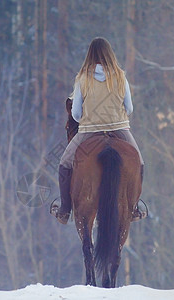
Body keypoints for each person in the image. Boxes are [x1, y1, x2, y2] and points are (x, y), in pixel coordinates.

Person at [51, 37, 145, 224]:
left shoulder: (82, 78)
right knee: (139, 163)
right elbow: (130, 108)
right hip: (119, 129)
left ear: (90, 55)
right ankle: (133, 208)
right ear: (110, 53)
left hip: (89, 130)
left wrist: (88, 119)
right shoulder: (120, 76)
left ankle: (64, 210)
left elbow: (76, 113)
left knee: (64, 163)